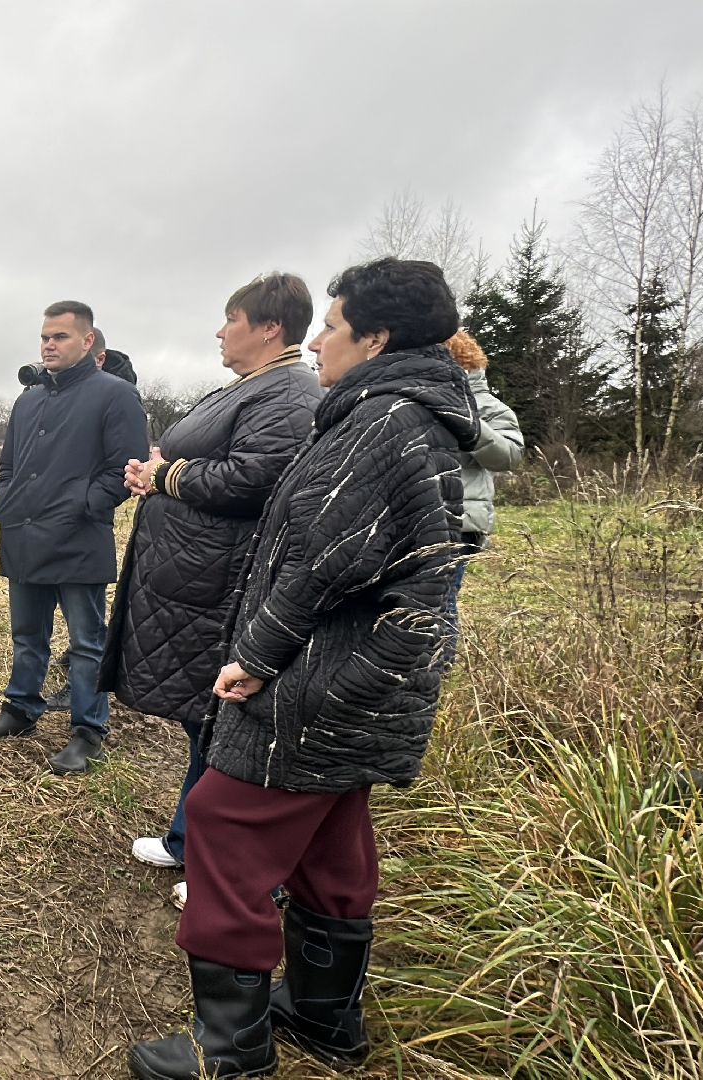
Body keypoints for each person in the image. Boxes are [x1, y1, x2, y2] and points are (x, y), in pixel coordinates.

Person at [129, 258, 477, 1079]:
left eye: (334, 325)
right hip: (366, 682)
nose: (320, 340)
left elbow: (321, 562)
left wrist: (253, 657)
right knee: (330, 837)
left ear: (378, 339)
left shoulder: (383, 424)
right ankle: (326, 1017)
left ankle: (230, 1053)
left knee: (222, 819)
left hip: (324, 681)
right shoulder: (405, 416)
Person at [102, 273, 320, 906]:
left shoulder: (288, 392)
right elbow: (207, 459)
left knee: (226, 731)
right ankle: (185, 840)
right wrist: (156, 467)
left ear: (270, 327)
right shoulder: (250, 387)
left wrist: (169, 475)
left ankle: (228, 871)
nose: (220, 331)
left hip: (221, 586)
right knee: (205, 723)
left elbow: (254, 479)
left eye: (231, 319)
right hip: (194, 581)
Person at [0, 302, 148, 774]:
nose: (49, 344)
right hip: (24, 534)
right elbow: (9, 463)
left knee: (87, 643)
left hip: (77, 539)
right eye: (45, 337)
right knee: (28, 635)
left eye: (61, 337)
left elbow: (125, 469)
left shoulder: (115, 396)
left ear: (88, 342)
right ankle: (21, 708)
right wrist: (4, 501)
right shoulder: (28, 399)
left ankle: (88, 731)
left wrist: (83, 506)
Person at [442, 329, 525, 665]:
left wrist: (471, 427)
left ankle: (440, 670)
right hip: (423, 515)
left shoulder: (488, 407)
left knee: (441, 599)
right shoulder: (419, 399)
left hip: (462, 521)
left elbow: (509, 455)